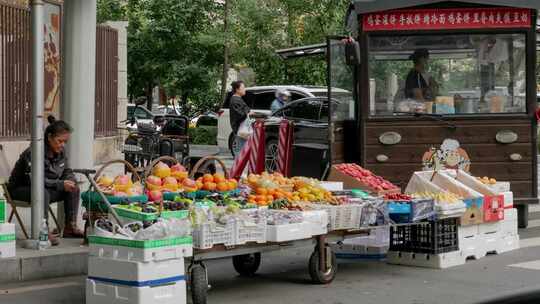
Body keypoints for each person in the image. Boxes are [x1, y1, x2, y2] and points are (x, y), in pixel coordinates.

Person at [8, 116, 83, 246]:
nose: (62, 145)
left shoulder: (61, 151)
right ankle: (43, 230)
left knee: (74, 189)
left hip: (46, 188)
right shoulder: (33, 152)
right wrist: (60, 184)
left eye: (65, 142)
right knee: (42, 193)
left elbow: (67, 171)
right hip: (21, 189)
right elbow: (35, 180)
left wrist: (70, 181)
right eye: (60, 141)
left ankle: (70, 227)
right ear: (49, 137)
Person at [229, 80, 250, 156]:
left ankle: (239, 166)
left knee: (242, 150)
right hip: (239, 128)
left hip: (241, 129)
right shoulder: (235, 100)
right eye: (243, 88)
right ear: (237, 89)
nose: (245, 89)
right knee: (241, 151)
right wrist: (248, 113)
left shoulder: (237, 99)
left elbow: (246, 110)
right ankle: (238, 167)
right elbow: (240, 114)